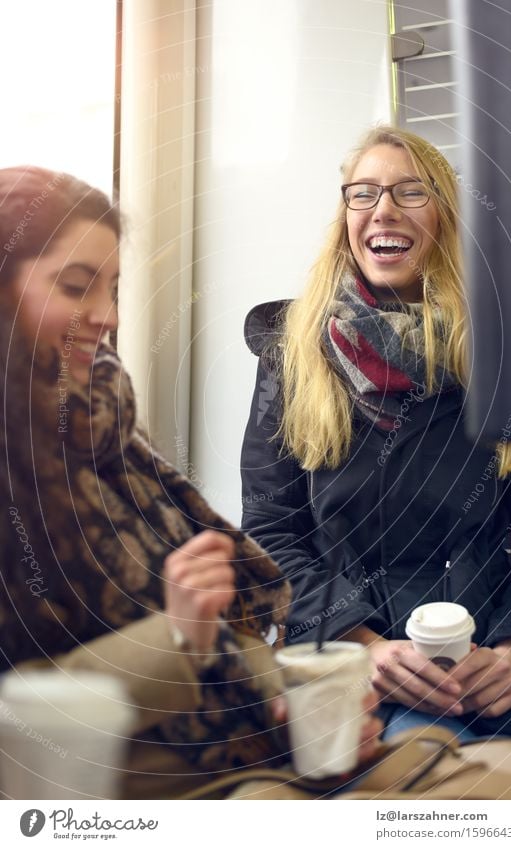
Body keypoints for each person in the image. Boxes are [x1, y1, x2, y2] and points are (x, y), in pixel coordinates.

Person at [0, 165, 381, 799]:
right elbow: (21, 734)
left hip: (253, 754)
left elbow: (227, 635)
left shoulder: (106, 431)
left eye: (114, 290)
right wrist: (174, 636)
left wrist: (288, 705)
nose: (106, 316)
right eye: (74, 288)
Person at [240, 125, 511, 742]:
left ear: (446, 219)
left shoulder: (508, 351)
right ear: (345, 215)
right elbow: (270, 530)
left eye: (410, 193)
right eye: (363, 193)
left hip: (491, 660)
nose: (384, 210)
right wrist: (359, 643)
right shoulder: (293, 354)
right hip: (349, 664)